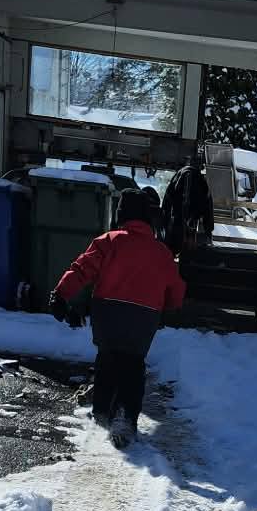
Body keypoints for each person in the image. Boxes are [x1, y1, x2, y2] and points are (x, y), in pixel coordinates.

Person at [51, 187, 185, 447]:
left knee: (108, 358)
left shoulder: (108, 241)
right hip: (144, 317)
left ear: (120, 215)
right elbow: (175, 291)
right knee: (133, 364)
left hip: (108, 312)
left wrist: (60, 295)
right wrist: (168, 306)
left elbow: (82, 269)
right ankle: (125, 415)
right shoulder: (162, 252)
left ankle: (102, 409)